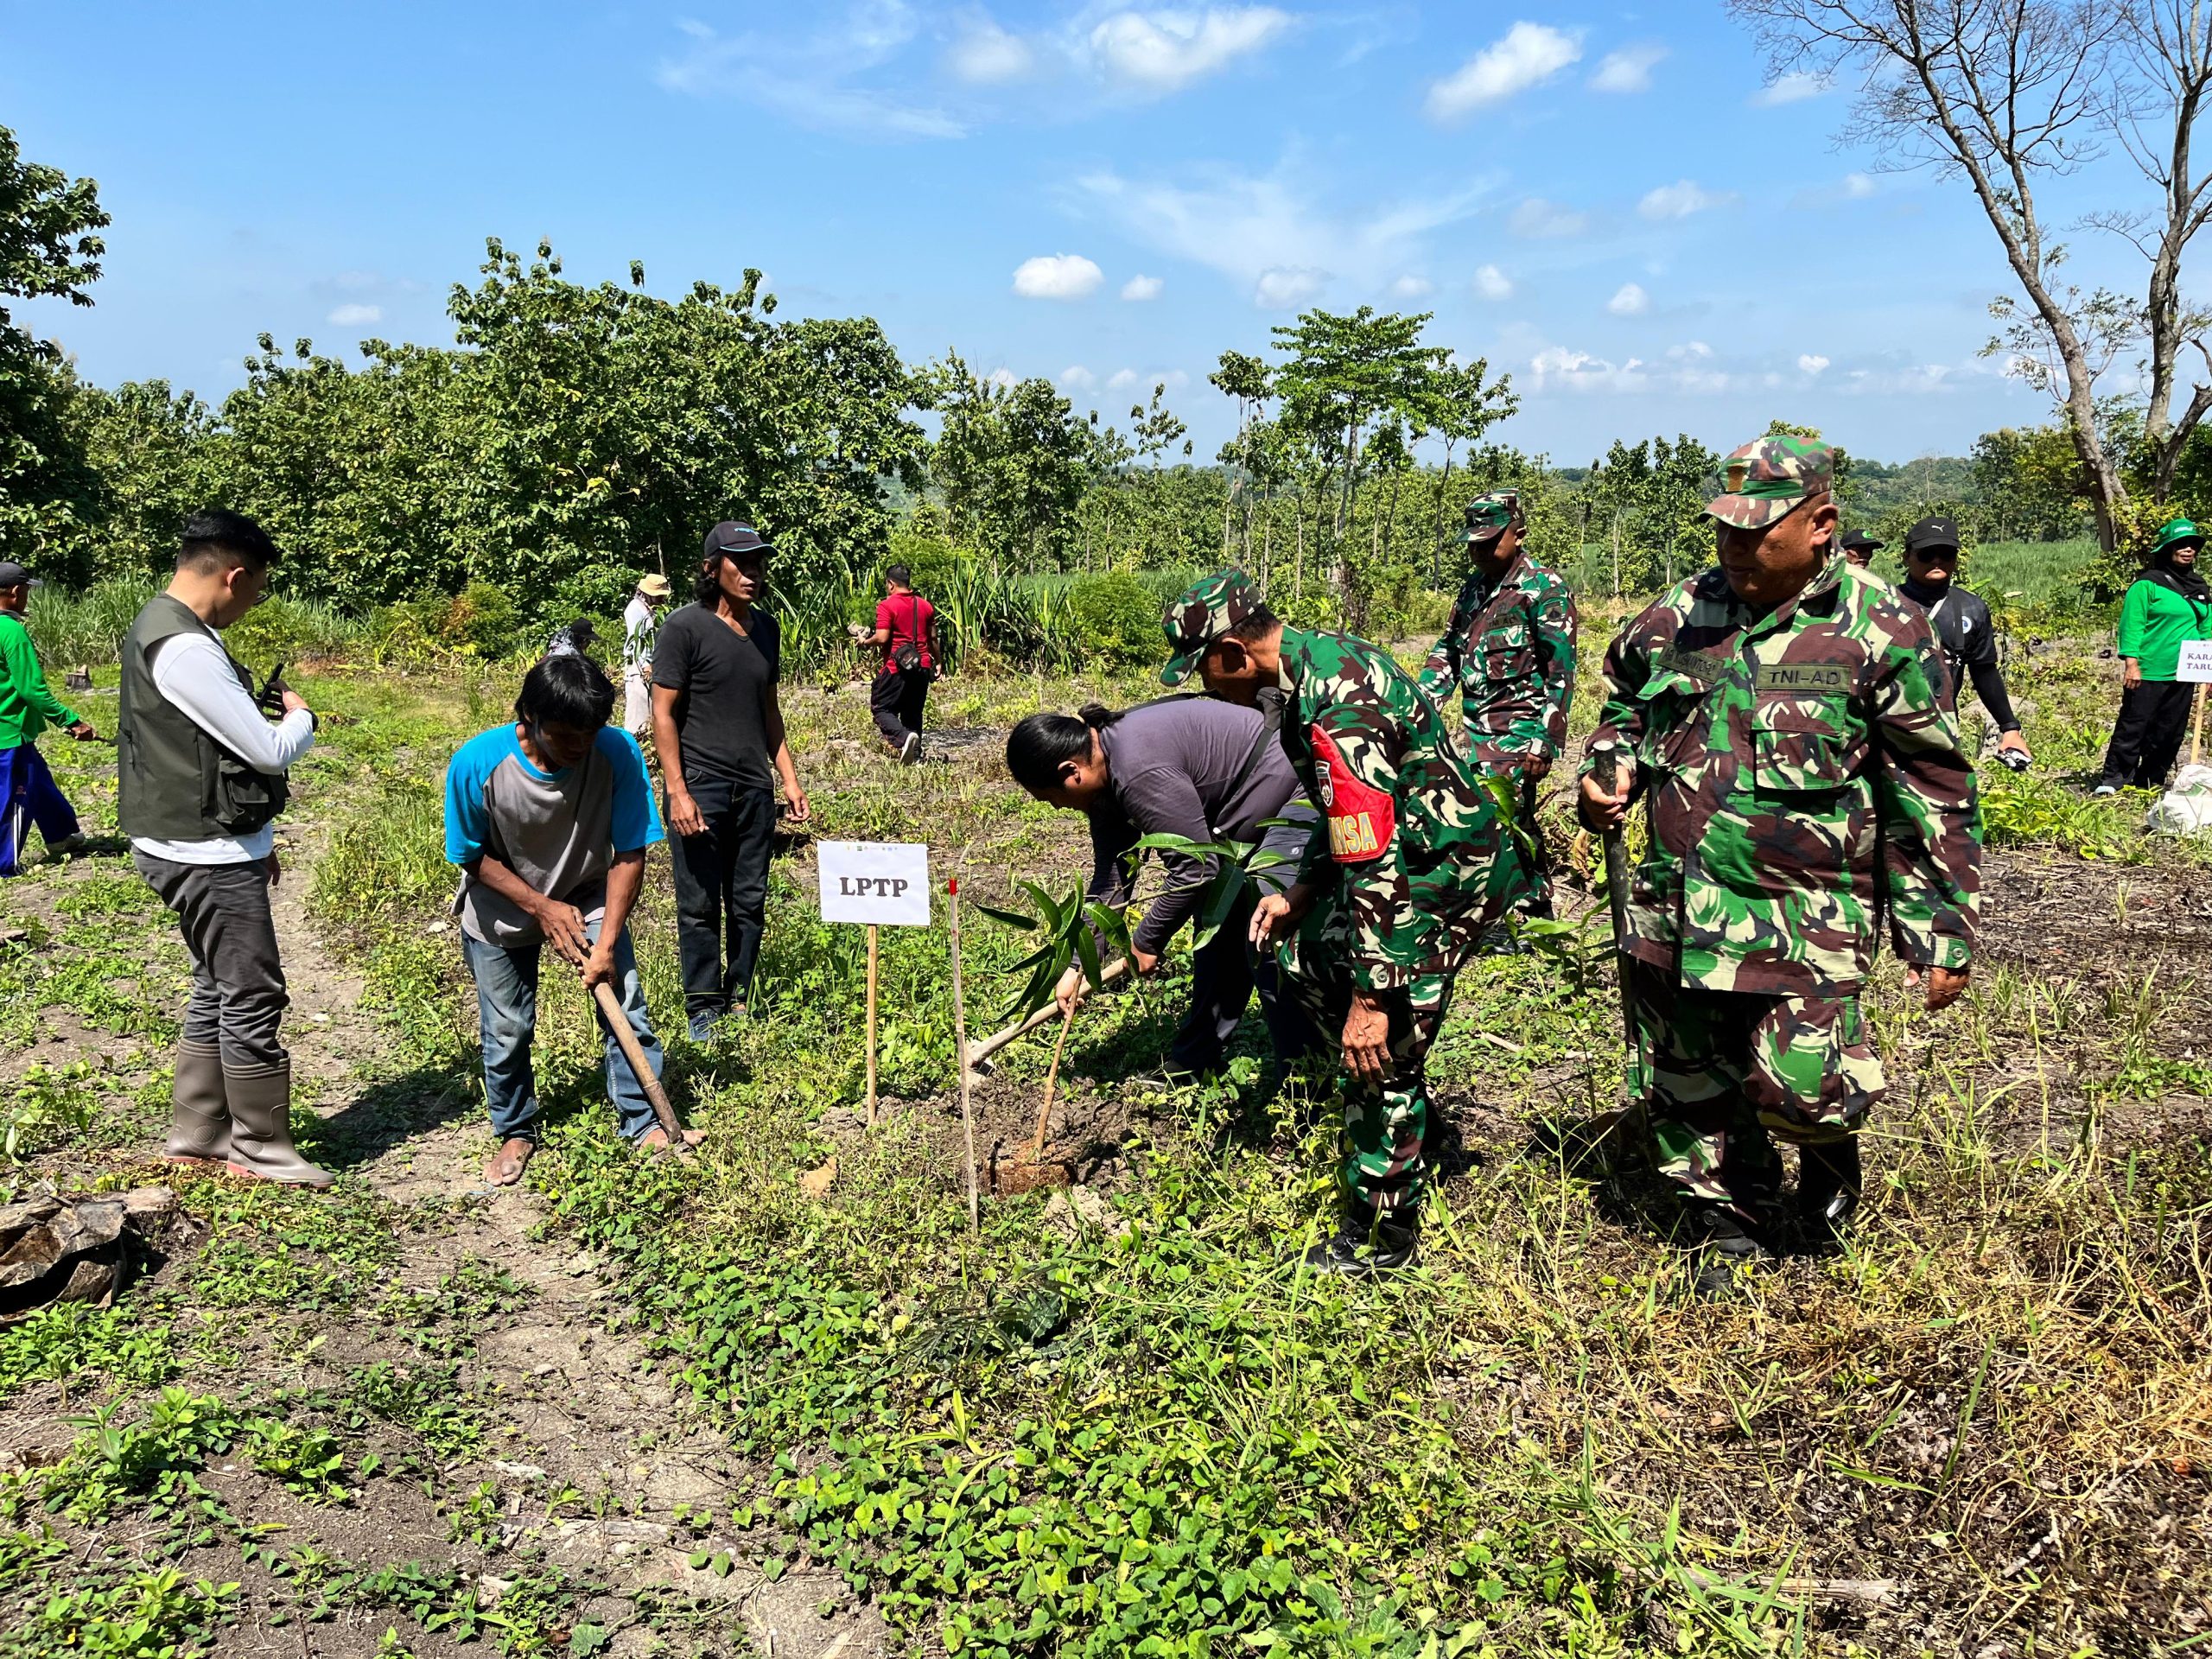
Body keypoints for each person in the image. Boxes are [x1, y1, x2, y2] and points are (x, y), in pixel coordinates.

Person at [1578, 435, 1980, 1296]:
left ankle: (1826, 1154)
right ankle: (1725, 1219)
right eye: (1723, 533)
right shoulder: (1684, 613)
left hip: (1806, 910)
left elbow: (1930, 783)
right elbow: (1626, 698)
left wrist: (1937, 930)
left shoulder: (1881, 628)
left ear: (1820, 523)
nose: (1733, 554)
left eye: (1754, 536)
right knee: (1686, 1076)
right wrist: (1608, 766)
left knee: (1801, 1086)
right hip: (1678, 909)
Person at [1158, 571, 1523, 1274]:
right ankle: (1420, 1132)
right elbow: (1349, 820)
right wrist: (1300, 891)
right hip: (1397, 861)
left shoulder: (1337, 703)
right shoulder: (1303, 671)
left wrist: (1372, 996)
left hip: (1439, 876)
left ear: (1233, 651)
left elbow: (1379, 853)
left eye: (1203, 671)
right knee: (1303, 964)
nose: (1205, 690)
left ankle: (1383, 1234)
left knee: (1378, 1046)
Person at [120, 510, 327, 1187]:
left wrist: (254, 839)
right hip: (201, 851)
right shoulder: (186, 648)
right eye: (258, 588)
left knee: (217, 981)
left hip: (190, 838)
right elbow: (266, 752)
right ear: (234, 576)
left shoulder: (160, 623)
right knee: (252, 989)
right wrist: (302, 715)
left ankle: (198, 1131)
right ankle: (260, 1146)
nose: (254, 602)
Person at [445, 652, 696, 1186]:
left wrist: (604, 945)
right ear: (529, 719)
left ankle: (644, 1120)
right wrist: (540, 905)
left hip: (587, 890)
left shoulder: (616, 750)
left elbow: (630, 851)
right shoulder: (478, 762)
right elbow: (469, 854)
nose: (580, 747)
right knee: (508, 1027)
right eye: (565, 735)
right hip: (502, 904)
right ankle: (515, 1128)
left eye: (589, 733)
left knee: (625, 1004)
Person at [1004, 697, 1317, 1077]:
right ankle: (1194, 1061)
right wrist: (1078, 966)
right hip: (1239, 816)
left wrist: (1146, 941)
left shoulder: (1137, 771)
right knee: (1217, 933)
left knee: (1268, 931)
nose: (1056, 808)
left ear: (1072, 772)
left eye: (1051, 798)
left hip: (1293, 789)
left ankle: (1305, 1080)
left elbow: (1195, 868)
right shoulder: (1104, 777)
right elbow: (1112, 882)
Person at [652, 521, 810, 1042]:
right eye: (740, 563)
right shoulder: (683, 627)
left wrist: (788, 778)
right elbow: (663, 712)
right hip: (701, 782)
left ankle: (741, 995)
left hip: (753, 788)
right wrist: (677, 790)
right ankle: (703, 1004)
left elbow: (769, 708)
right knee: (698, 901)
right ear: (710, 568)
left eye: (758, 562)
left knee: (750, 897)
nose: (752, 573)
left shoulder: (766, 629)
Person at [1416, 491, 1577, 919]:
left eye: (1489, 541)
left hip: (1519, 729)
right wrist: (1421, 703)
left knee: (1503, 818)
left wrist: (1545, 740)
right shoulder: (1473, 590)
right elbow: (1448, 650)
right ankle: (1522, 904)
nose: (1479, 551)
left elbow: (1560, 671)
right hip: (1474, 730)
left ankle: (1528, 910)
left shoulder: (1544, 590)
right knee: (1498, 819)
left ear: (1518, 534)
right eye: (1473, 543)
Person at [1897, 516, 2031, 772]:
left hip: (1942, 729)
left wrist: (2010, 728)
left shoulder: (1971, 608)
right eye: (1927, 554)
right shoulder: (1882, 604)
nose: (1937, 560)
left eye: (1946, 554)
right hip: (1885, 729)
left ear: (1956, 559)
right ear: (1907, 557)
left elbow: (1984, 671)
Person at [2094, 517, 2212, 796]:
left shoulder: (2200, 587)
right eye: (2180, 545)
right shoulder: (2147, 585)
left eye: (2192, 545)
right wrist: (2131, 663)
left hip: (2186, 670)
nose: (2188, 550)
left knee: (2171, 730)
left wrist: (2209, 672)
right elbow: (2132, 624)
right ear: (2166, 548)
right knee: (2134, 725)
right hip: (2148, 670)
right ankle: (2114, 779)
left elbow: (2207, 629)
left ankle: (2151, 780)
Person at [0, 560, 94, 875]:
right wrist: (71, 720)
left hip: (15, 734)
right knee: (15, 797)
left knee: (36, 779)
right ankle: (4, 864)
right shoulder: (11, 630)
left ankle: (61, 836)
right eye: (26, 589)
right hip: (9, 732)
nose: (27, 595)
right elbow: (32, 690)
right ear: (15, 591)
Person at [869, 564, 938, 764]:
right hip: (922, 665)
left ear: (890, 584)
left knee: (881, 708)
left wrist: (866, 642)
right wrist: (939, 662)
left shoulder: (887, 605)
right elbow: (933, 638)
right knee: (913, 712)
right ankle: (915, 757)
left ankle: (904, 737)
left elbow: (882, 638)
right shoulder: (925, 605)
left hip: (896, 667)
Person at [621, 574, 672, 735]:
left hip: (649, 666)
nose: (661, 600)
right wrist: (645, 665)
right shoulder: (635, 609)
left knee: (650, 713)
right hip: (638, 667)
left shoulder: (648, 610)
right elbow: (637, 640)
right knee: (638, 716)